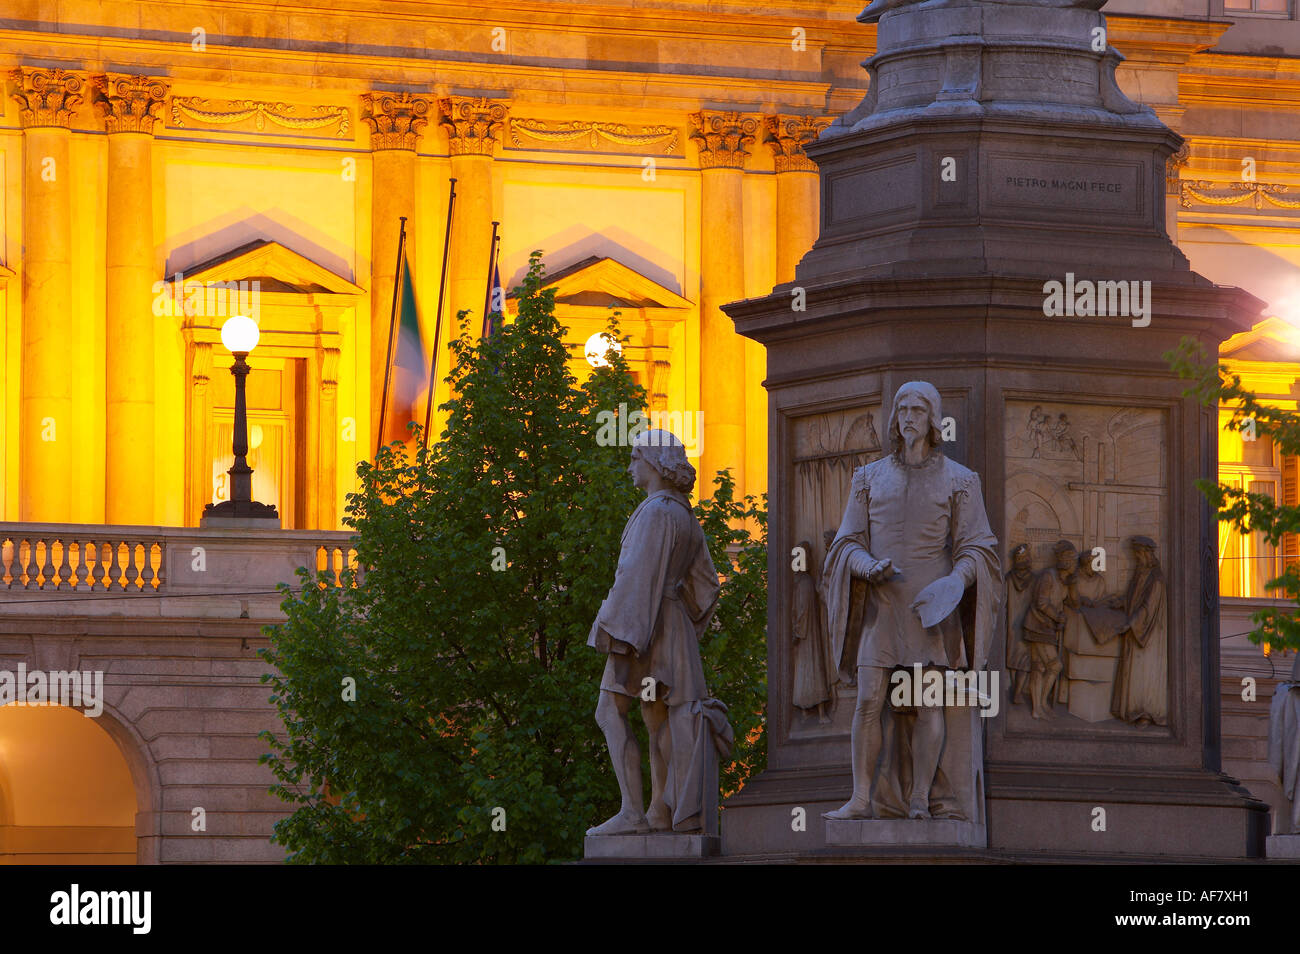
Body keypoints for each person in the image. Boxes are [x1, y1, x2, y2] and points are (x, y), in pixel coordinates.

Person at [820, 381, 1001, 820]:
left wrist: (956, 581)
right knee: (868, 700)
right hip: (882, 609)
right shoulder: (868, 478)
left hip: (930, 610)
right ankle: (861, 798)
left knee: (927, 704)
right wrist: (865, 566)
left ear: (933, 419)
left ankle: (920, 798)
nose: (908, 417)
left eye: (918, 410)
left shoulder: (960, 480)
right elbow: (846, 542)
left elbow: (979, 548)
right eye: (901, 409)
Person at [586, 429, 726, 835]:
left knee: (609, 711)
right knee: (657, 717)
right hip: (671, 626)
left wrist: (617, 632)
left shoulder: (655, 511)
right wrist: (685, 624)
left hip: (641, 625)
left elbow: (635, 576)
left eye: (635, 458)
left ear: (655, 463)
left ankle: (633, 811)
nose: (630, 466)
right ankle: (663, 811)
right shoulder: (685, 514)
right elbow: (707, 585)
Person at [1110, 536, 1167, 726]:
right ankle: (1132, 710)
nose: (1136, 559)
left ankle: (1146, 712)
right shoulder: (1140, 573)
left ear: (1146, 554)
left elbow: (1147, 607)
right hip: (1137, 629)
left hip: (1149, 634)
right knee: (1134, 671)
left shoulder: (1156, 579)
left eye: (1138, 555)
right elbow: (1134, 599)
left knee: (1145, 673)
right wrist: (1121, 603)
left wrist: (1131, 623)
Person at [1023, 540, 1076, 719]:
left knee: (1038, 667)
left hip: (1047, 628)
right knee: (1055, 665)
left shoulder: (1063, 580)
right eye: (1071, 559)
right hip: (1038, 626)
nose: (1074, 563)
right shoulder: (1048, 576)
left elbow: (1065, 602)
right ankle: (1040, 704)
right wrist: (1057, 616)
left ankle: (1038, 707)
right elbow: (1042, 602)